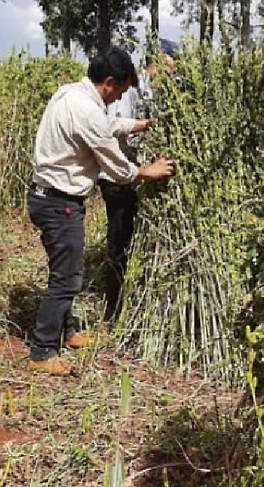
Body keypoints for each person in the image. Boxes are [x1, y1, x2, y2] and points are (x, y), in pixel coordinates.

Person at [27, 46, 175, 376]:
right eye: (120, 91)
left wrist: (137, 125)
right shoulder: (87, 111)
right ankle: (41, 350)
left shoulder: (71, 94)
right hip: (59, 202)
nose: (117, 97)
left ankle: (69, 333)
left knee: (63, 269)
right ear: (109, 82)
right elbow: (113, 159)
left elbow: (106, 125)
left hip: (46, 196)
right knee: (67, 278)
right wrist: (145, 171)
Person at [100, 39, 179, 325]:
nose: (171, 74)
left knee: (131, 239)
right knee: (119, 241)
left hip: (134, 174)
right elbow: (114, 132)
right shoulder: (129, 90)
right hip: (117, 176)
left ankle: (128, 300)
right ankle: (114, 308)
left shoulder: (153, 92)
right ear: (154, 62)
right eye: (169, 68)